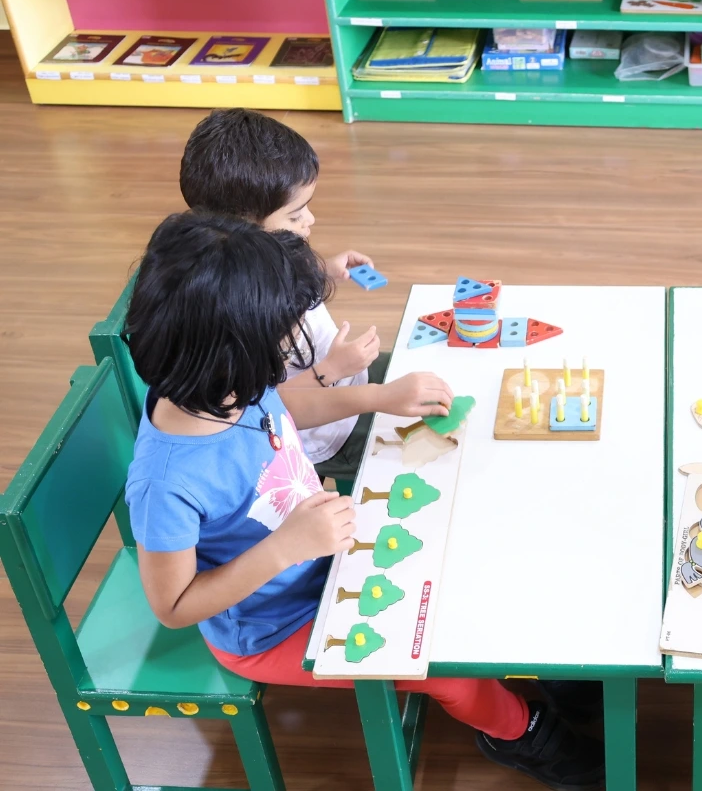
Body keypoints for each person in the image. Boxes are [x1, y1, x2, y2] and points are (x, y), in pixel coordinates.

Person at [122, 212, 604, 790]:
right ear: (232, 351)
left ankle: (533, 667)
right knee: (444, 671)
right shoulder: (166, 481)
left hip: (327, 550)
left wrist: (377, 395)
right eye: (281, 338)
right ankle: (521, 733)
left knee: (474, 547)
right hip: (273, 625)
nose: (293, 348)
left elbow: (285, 409)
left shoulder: (215, 383)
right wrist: (285, 548)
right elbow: (174, 606)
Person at [179, 108, 388, 484]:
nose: (310, 221)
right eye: (295, 216)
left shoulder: (255, 261)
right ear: (241, 230)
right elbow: (267, 409)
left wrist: (324, 269)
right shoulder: (236, 314)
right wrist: (333, 370)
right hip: (320, 431)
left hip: (344, 379)